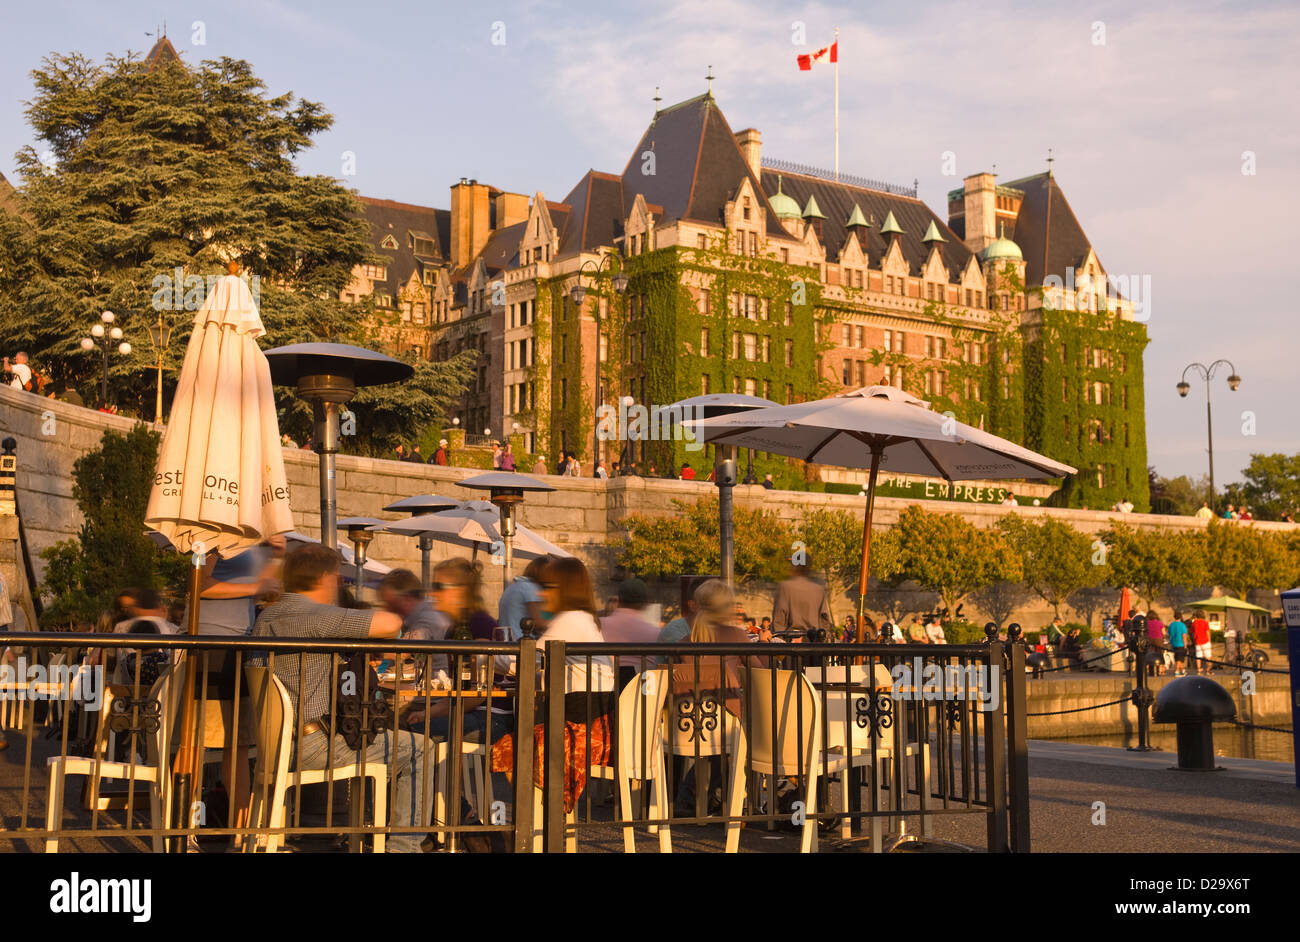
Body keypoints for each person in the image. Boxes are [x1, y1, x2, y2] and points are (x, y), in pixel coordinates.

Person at [252, 544, 432, 852]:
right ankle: (403, 848)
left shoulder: (266, 616)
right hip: (314, 745)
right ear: (325, 577)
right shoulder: (316, 616)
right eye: (336, 577)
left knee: (377, 740)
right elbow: (392, 624)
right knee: (420, 748)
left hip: (272, 744)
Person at [536, 558, 616, 720]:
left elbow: (525, 660)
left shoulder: (570, 619)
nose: (540, 593)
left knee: (512, 737)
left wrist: (486, 654)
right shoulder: (583, 618)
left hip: (581, 717)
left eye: (547, 587)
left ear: (564, 589)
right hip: (593, 711)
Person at [379, 568, 449, 677]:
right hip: (416, 683)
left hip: (429, 685)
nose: (386, 609)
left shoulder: (429, 617)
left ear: (406, 599)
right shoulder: (410, 619)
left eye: (391, 604)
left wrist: (372, 650)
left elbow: (405, 650)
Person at [600, 578, 660, 683]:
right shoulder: (655, 632)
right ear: (644, 603)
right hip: (642, 689)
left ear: (619, 600)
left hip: (605, 686)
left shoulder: (599, 625)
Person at [771, 558, 833, 638]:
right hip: (813, 639)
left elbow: (779, 619)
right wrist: (824, 638)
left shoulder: (785, 587)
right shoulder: (819, 590)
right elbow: (824, 620)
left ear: (796, 567)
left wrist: (779, 640)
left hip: (791, 639)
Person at [497, 555, 547, 640]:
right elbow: (539, 622)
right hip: (521, 641)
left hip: (506, 641)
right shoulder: (531, 588)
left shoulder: (514, 586)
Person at [1144, 610, 1167, 676]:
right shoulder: (1159, 623)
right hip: (1158, 640)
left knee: (1149, 655)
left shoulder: (1146, 623)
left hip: (1149, 640)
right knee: (1160, 654)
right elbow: (1164, 633)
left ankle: (1147, 669)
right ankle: (1161, 670)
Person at [1167, 611, 1189, 676]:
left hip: (1173, 643)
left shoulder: (1171, 625)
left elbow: (1169, 634)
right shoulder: (1182, 625)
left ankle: (1182, 670)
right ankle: (1177, 671)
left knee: (1177, 658)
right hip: (1181, 643)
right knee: (1180, 658)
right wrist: (1185, 645)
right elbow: (1184, 636)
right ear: (1181, 617)